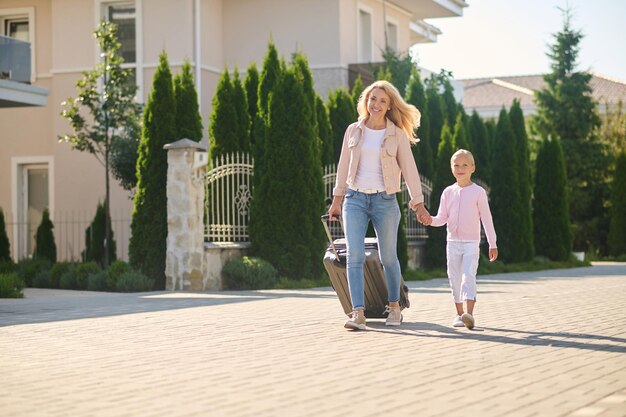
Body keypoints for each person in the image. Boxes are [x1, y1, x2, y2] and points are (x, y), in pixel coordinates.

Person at [328, 80, 432, 331]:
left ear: (389, 106)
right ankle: (358, 313)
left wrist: (418, 204)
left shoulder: (396, 134)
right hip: (355, 199)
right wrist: (337, 200)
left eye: (382, 101)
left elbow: (409, 169)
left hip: (385, 200)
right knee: (354, 256)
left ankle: (394, 307)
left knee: (388, 257)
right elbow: (342, 166)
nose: (376, 104)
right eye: (372, 99)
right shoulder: (353, 130)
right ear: (366, 101)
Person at [428, 149, 498, 329]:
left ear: (473, 168)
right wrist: (430, 220)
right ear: (451, 168)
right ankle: (459, 315)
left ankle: (470, 315)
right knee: (455, 278)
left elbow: (487, 219)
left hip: (471, 243)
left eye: (464, 165)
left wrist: (492, 243)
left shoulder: (478, 192)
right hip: (452, 243)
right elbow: (441, 218)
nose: (460, 168)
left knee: (468, 276)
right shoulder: (447, 192)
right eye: (456, 165)